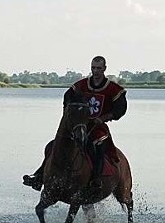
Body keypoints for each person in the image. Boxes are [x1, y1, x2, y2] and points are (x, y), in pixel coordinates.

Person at [23, 56, 127, 190]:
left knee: (98, 146)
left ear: (104, 69)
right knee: (52, 146)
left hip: (97, 127)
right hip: (78, 126)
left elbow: (120, 109)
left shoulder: (113, 89)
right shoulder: (81, 85)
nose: (95, 71)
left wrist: (103, 118)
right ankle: (39, 177)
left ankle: (96, 180)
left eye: (99, 68)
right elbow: (68, 98)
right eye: (93, 68)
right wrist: (70, 117)